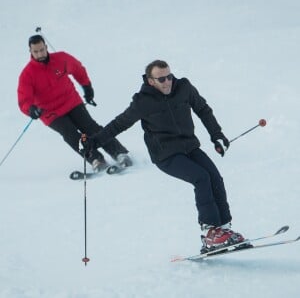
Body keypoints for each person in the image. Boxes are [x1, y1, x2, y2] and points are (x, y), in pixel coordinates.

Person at [81, 60, 245, 252]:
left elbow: (203, 109)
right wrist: (94, 142)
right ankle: (210, 234)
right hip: (166, 155)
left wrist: (217, 135)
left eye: (169, 76)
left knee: (215, 178)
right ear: (151, 81)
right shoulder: (143, 101)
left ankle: (224, 230)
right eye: (161, 79)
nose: (168, 82)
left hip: (190, 147)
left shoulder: (183, 87)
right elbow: (119, 124)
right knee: (201, 178)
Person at [17, 34, 132, 172]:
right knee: (70, 134)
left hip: (71, 101)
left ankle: (119, 153)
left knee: (90, 127)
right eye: (36, 51)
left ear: (46, 47)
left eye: (42, 49)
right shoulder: (27, 74)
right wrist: (30, 109)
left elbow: (78, 69)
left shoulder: (60, 58)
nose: (40, 54)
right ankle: (96, 159)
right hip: (50, 112)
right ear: (30, 51)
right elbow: (24, 100)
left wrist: (87, 87)